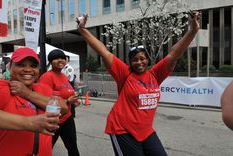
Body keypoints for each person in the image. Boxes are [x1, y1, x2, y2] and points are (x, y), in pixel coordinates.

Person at [77, 11, 200, 156]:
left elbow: (174, 53)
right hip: (122, 129)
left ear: (147, 60)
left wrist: (193, 31)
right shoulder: (125, 74)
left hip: (145, 131)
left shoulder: (155, 74)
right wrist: (82, 30)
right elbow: (103, 51)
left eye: (142, 58)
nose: (139, 62)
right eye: (135, 59)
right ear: (130, 62)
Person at [0, 47, 68, 156]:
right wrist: (30, 122)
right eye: (21, 64)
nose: (28, 69)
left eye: (33, 66)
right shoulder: (3, 87)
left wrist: (27, 94)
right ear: (10, 67)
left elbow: (63, 107)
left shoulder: (42, 89)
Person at [39, 49, 80, 156]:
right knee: (46, 149)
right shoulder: (47, 77)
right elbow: (44, 100)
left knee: (72, 147)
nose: (60, 60)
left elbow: (66, 92)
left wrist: (73, 100)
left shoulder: (63, 76)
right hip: (53, 121)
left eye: (62, 58)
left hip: (67, 118)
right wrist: (67, 101)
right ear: (51, 61)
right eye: (56, 58)